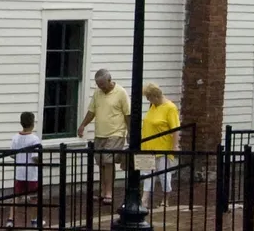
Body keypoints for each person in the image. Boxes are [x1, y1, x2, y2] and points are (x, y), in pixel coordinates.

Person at [75, 68, 130, 204]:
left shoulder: (121, 92)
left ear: (109, 80)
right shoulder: (97, 93)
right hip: (100, 134)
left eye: (103, 85)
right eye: (98, 85)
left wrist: (130, 132)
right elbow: (91, 111)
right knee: (101, 162)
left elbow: (127, 114)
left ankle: (109, 193)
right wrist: (83, 125)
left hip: (116, 133)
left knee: (108, 160)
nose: (101, 87)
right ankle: (103, 191)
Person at [138, 83, 181, 199]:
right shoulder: (152, 106)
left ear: (155, 96)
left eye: (149, 97)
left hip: (162, 147)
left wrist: (175, 146)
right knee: (147, 175)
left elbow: (175, 128)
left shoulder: (170, 108)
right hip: (146, 146)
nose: (148, 100)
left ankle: (165, 199)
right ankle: (144, 200)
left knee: (164, 175)